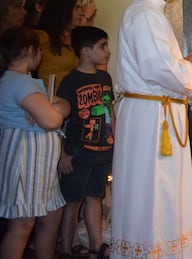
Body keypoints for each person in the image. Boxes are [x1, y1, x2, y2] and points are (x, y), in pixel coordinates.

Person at [111, 0, 192, 258]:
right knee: (153, 188)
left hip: (152, 112)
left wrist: (181, 64)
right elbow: (157, 68)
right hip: (152, 118)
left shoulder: (148, 13)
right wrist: (189, 70)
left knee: (159, 188)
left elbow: (159, 63)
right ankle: (152, 250)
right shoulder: (146, 15)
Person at [0, 27, 70, 259]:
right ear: (31, 51)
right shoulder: (18, 82)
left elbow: (64, 105)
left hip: (40, 164)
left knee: (51, 214)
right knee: (22, 224)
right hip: (26, 159)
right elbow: (51, 119)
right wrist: (53, 112)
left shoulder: (28, 81)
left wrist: (53, 109)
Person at [57, 26, 115, 259]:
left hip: (103, 149)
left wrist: (114, 139)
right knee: (72, 201)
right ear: (85, 51)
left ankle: (96, 243)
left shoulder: (105, 77)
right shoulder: (71, 81)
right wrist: (63, 154)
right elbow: (60, 121)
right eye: (102, 46)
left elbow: (109, 110)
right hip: (78, 151)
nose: (107, 51)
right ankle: (66, 246)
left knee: (95, 196)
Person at [34, 0, 96, 90]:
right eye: (77, 8)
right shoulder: (42, 37)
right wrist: (85, 18)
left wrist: (87, 22)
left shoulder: (72, 35)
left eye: (82, 8)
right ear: (63, 9)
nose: (81, 13)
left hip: (74, 98)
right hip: (51, 100)